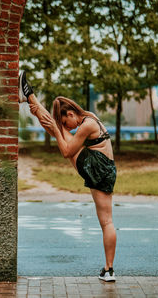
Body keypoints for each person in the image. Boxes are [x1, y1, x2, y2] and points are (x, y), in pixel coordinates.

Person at [19, 71, 117, 282]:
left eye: (66, 122)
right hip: (105, 168)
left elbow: (66, 152)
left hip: (96, 167)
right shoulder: (90, 117)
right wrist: (56, 126)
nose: (68, 126)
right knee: (107, 222)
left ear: (71, 113)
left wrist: (56, 127)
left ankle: (29, 97)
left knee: (58, 135)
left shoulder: (87, 125)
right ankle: (109, 270)